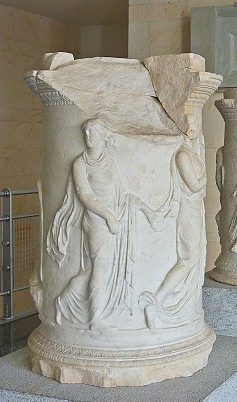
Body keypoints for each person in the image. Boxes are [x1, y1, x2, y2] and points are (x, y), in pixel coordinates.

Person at [47, 118, 160, 330]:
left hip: (113, 219)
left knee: (91, 270)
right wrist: (108, 216)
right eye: (86, 132)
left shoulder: (108, 162)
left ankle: (63, 301)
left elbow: (121, 193)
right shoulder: (80, 164)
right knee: (100, 270)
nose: (88, 136)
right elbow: (85, 195)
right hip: (96, 222)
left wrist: (147, 209)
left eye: (93, 133)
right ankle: (96, 320)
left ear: (103, 138)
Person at [139, 134, 207, 330]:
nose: (194, 128)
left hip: (194, 210)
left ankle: (164, 301)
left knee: (191, 259)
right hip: (188, 211)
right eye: (190, 124)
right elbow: (195, 185)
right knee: (188, 260)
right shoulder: (182, 155)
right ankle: (156, 301)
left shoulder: (192, 151)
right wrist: (205, 177)